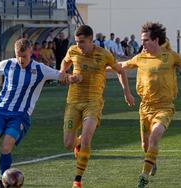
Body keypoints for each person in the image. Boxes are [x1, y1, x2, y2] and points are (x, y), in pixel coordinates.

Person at [0, 38, 81, 188]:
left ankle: (2, 179)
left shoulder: (40, 69)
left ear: (30, 53)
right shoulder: (8, 64)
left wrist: (73, 78)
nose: (21, 59)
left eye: (24, 56)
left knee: (6, 147)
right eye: (18, 55)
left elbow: (61, 75)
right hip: (0, 110)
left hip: (20, 115)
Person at [119, 22, 181, 188]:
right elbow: (120, 67)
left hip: (165, 107)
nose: (142, 43)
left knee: (155, 135)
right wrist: (102, 69)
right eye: (142, 40)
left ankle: (144, 176)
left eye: (145, 40)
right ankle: (152, 161)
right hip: (145, 108)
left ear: (156, 40)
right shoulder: (140, 57)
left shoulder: (171, 56)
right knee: (146, 145)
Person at [60, 25, 135, 188]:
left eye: (82, 42)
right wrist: (67, 76)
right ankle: (77, 142)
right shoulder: (73, 51)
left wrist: (126, 93)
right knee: (68, 143)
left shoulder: (103, 54)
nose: (79, 45)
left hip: (93, 102)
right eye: (77, 42)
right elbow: (64, 65)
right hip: (73, 102)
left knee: (87, 137)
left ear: (91, 40)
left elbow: (120, 71)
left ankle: (77, 180)